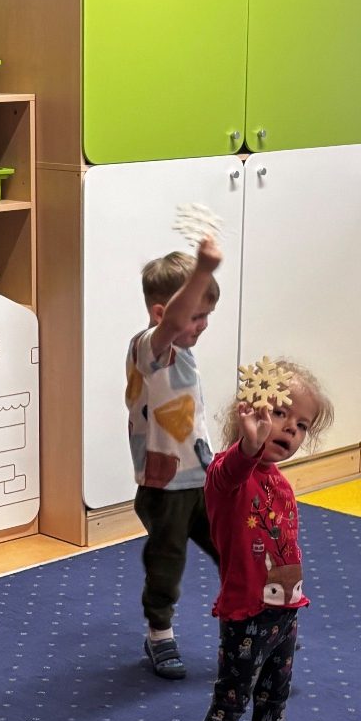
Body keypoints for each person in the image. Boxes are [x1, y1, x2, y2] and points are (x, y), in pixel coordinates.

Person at [198, 366, 332, 721]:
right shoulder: (227, 475)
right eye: (279, 414)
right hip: (246, 617)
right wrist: (248, 447)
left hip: (285, 613)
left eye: (301, 425)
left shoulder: (280, 482)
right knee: (229, 705)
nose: (290, 430)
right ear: (249, 413)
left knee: (274, 701)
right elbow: (232, 468)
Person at [127, 239, 222, 679]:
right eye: (196, 317)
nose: (203, 325)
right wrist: (202, 270)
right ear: (161, 313)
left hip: (202, 478)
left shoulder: (183, 353)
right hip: (164, 488)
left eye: (207, 316)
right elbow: (173, 323)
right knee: (167, 563)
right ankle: (159, 633)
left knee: (233, 548)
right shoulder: (150, 348)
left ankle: (254, 620)